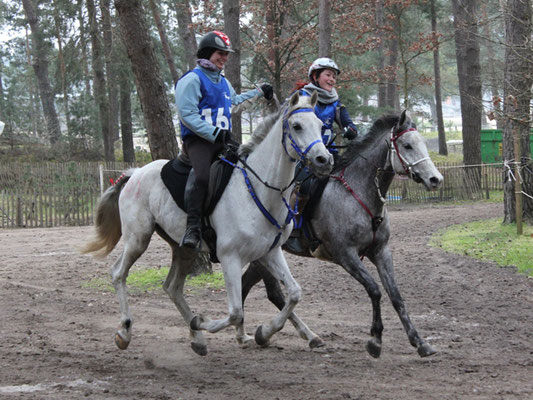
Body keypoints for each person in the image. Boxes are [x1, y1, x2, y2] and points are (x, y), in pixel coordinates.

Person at [175, 30, 273, 249]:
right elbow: (187, 115)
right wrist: (213, 133)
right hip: (199, 143)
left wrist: (259, 92)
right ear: (208, 52)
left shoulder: (223, 81)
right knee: (202, 177)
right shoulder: (191, 80)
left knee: (249, 169)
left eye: (226, 54)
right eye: (221, 53)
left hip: (223, 140)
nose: (225, 58)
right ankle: (193, 227)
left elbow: (234, 103)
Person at [286, 57, 358, 253]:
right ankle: (296, 232)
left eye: (334, 76)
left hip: (330, 156)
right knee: (307, 188)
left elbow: (348, 123)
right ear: (316, 77)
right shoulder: (302, 97)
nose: (332, 79)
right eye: (328, 75)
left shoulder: (335, 102)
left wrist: (351, 129)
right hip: (307, 158)